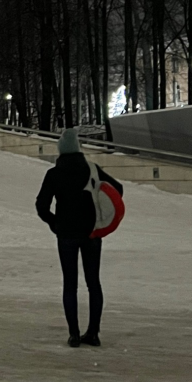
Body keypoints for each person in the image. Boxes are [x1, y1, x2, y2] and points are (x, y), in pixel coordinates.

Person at [35, 127, 123, 349]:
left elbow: (41, 205)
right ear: (79, 148)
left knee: (70, 285)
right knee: (93, 283)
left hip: (66, 234)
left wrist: (55, 223)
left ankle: (74, 334)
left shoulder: (53, 174)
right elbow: (118, 189)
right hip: (92, 232)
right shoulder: (92, 169)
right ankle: (93, 333)